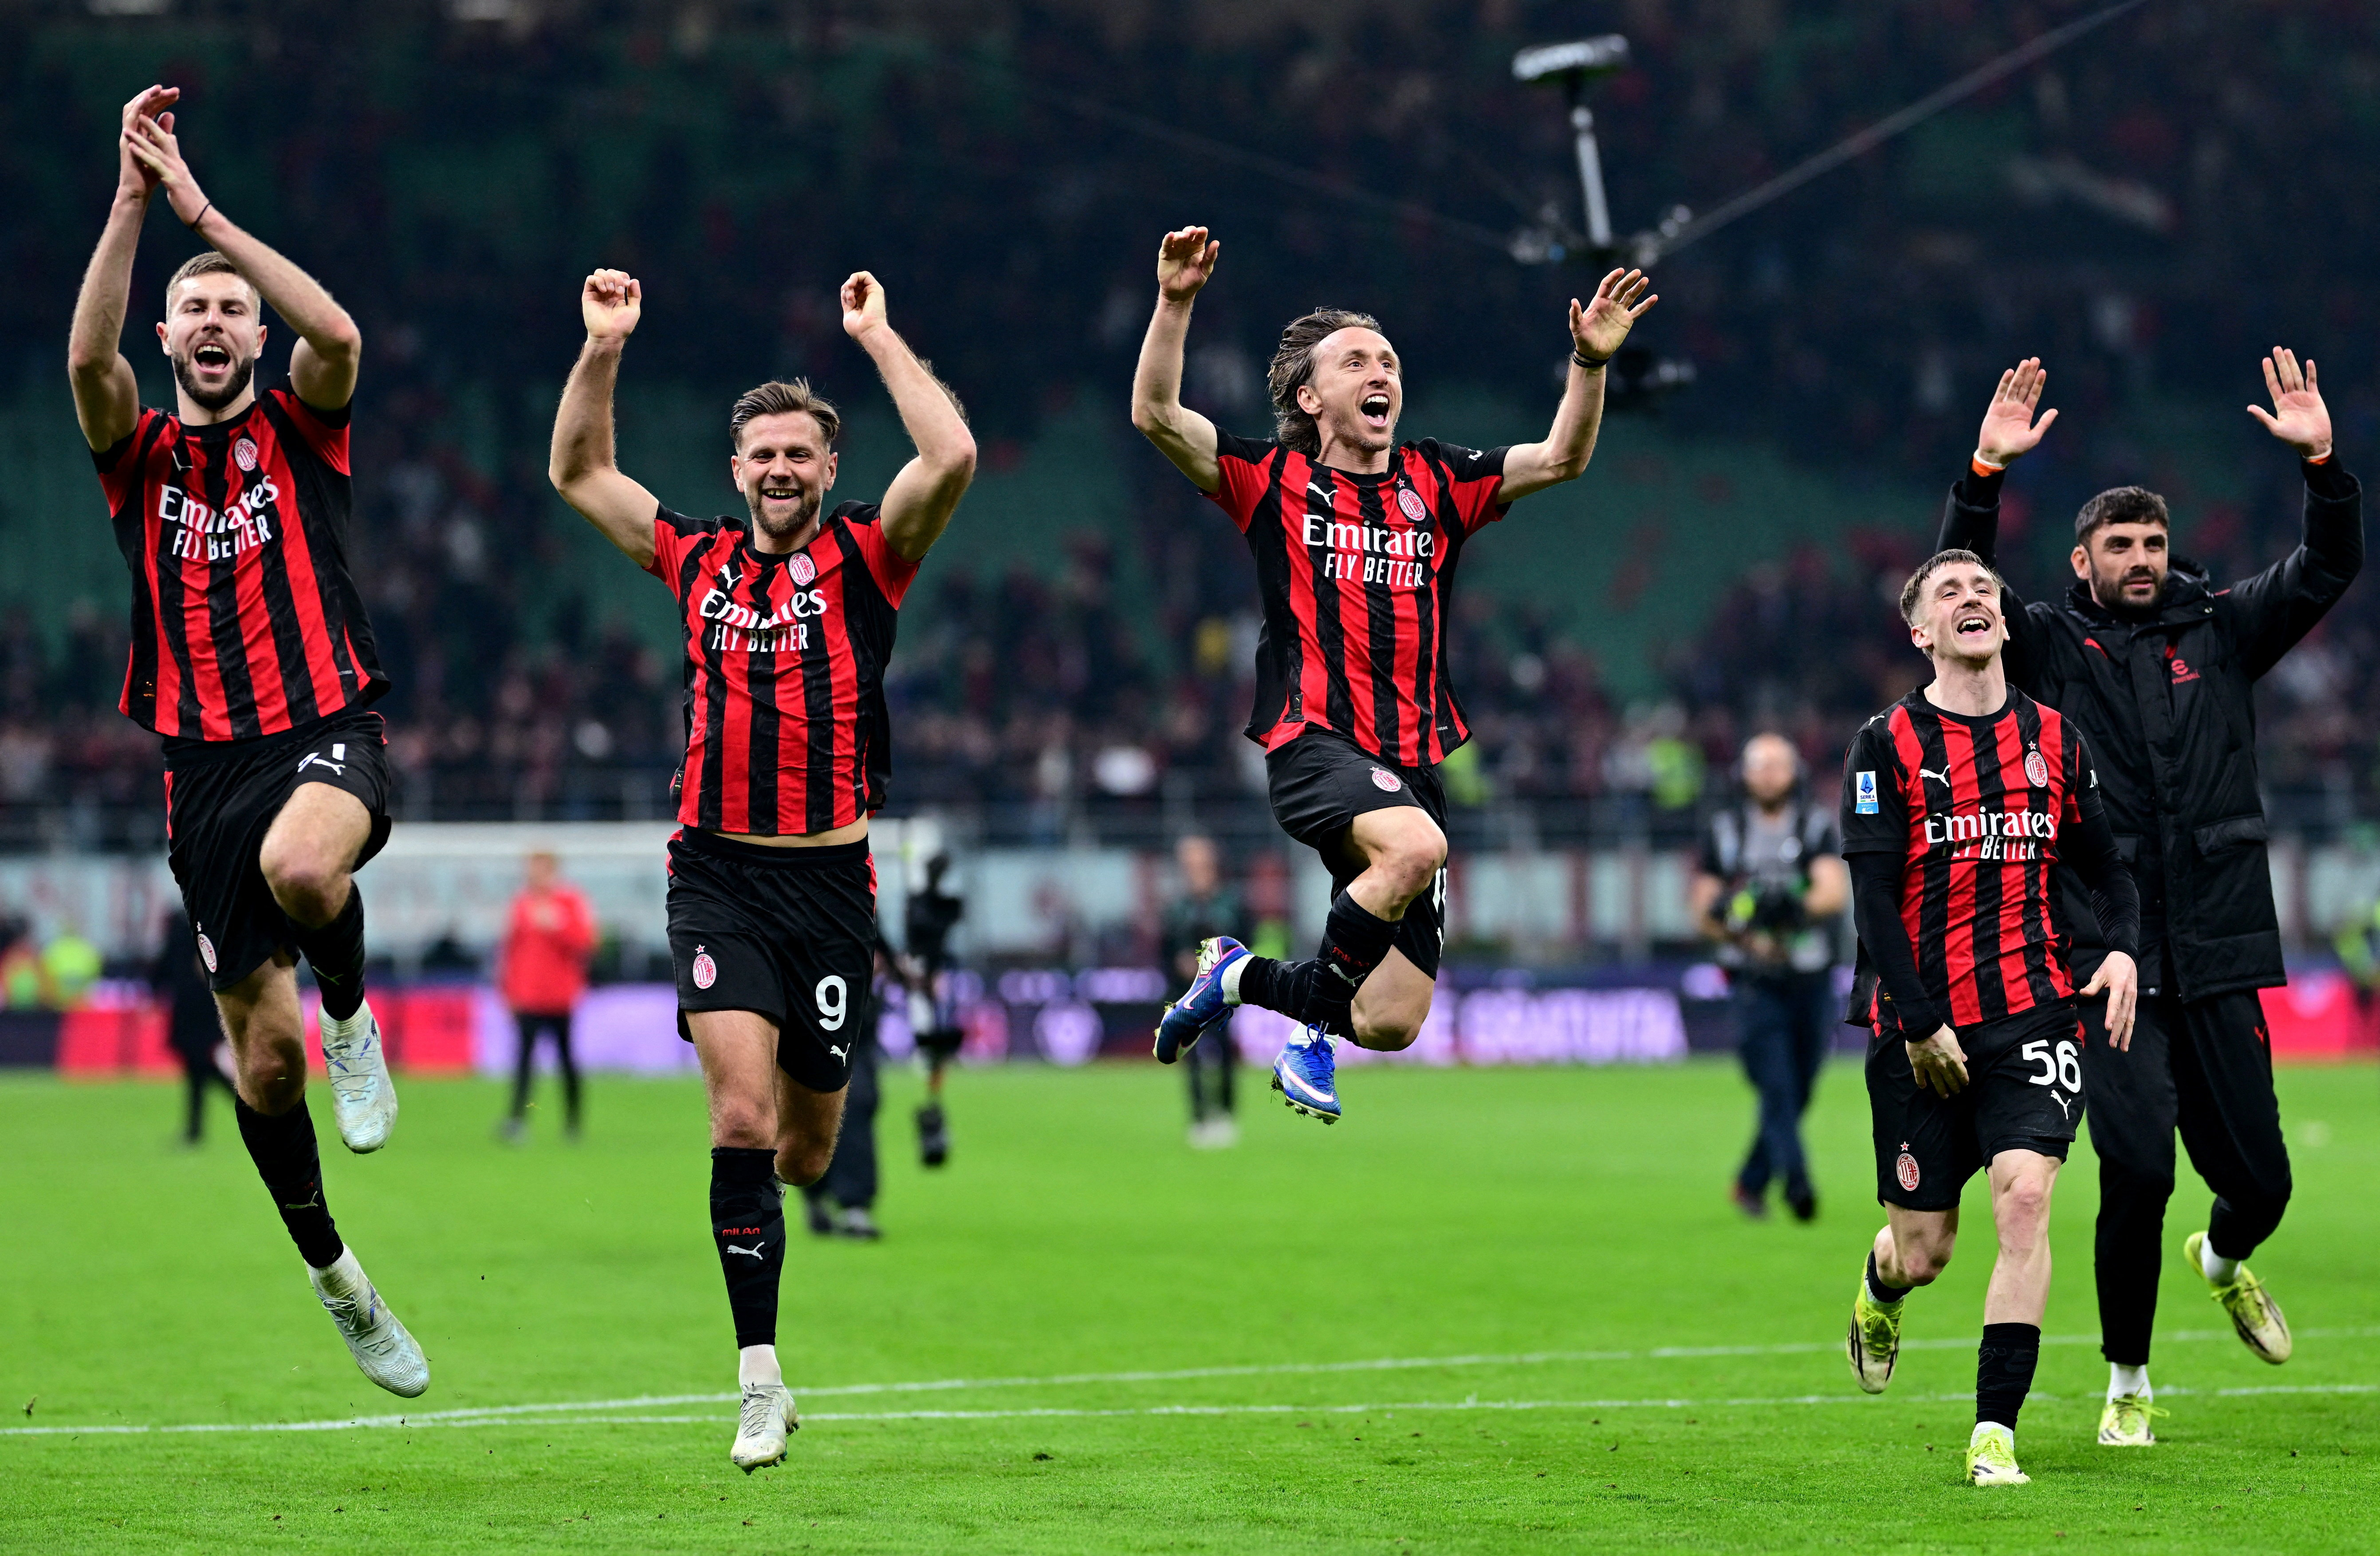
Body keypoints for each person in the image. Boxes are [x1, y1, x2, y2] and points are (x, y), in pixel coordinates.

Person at [550, 264, 974, 1472]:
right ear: (734, 469)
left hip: (832, 891)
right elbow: (578, 472)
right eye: (760, 455)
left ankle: (775, 1292)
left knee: (803, 1151)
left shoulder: (867, 562)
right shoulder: (691, 558)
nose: (779, 469)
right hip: (717, 875)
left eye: (799, 453)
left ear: (827, 469)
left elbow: (948, 458)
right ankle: (758, 1377)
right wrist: (602, 348)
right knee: (738, 1117)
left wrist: (881, 338)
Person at [1131, 224, 1656, 1123]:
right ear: (1311, 394)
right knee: (1415, 849)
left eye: (1389, 362)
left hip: (1412, 762)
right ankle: (1305, 1039)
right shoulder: (1272, 476)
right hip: (1315, 740)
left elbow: (1561, 458)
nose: (1382, 374)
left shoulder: (1437, 479)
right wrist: (1175, 303)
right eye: (1357, 363)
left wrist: (1589, 365)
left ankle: (1238, 974)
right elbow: (1155, 416)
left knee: (1389, 1018)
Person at [1937, 353, 2361, 1446]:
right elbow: (1960, 572)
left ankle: (2223, 1259)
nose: (2138, 560)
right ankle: (2127, 1380)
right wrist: (1985, 469)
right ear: (2080, 560)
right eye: (2118, 546)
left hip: (2217, 943)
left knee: (2258, 1182)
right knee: (2133, 1165)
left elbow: (2328, 567)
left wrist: (2319, 459)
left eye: (2151, 544)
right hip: (2101, 954)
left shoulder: (2220, 628)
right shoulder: (2044, 643)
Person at [67, 86, 421, 1397]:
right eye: (194, 307)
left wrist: (204, 213)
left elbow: (340, 330)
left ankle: (352, 1014)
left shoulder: (301, 423)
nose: (212, 322)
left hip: (326, 728)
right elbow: (83, 366)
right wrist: (129, 199)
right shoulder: (136, 451)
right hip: (198, 774)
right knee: (255, 1064)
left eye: (231, 309)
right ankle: (340, 1277)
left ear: (254, 339)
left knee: (309, 871)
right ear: (168, 334)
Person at [1839, 547, 2141, 1487]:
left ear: (2005, 622)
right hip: (1918, 1028)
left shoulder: (2057, 738)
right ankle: (1882, 1282)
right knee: (1927, 1250)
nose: (1973, 599)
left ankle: (1993, 1432)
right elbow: (1875, 898)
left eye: (1985, 591)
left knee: (2026, 1196)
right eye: (1948, 593)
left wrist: (2124, 947)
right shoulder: (1884, 743)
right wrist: (1921, 1020)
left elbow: (2111, 866)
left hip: (2034, 1014)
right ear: (1920, 631)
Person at [1692, 733, 1847, 1222]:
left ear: (1793, 771)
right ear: (1743, 773)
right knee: (1777, 1084)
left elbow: (1831, 893)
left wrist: (1789, 908)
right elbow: (1704, 909)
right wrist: (1746, 932)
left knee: (1799, 1086)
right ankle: (1798, 1183)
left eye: (1776, 765)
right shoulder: (1724, 829)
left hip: (1809, 976)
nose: (1767, 775)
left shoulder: (1815, 824)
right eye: (1758, 765)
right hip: (1753, 979)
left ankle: (1750, 1181)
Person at [498, 851, 597, 1142]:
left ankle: (573, 1123)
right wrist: (509, 990)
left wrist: (559, 926)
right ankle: (517, 1121)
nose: (533, 874)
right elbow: (511, 951)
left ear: (552, 870)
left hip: (560, 998)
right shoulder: (522, 904)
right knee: (524, 1062)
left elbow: (586, 943)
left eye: (539, 869)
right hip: (528, 998)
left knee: (566, 1061)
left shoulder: (570, 902)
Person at [801, 931, 894, 1241]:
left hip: (855, 1011)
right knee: (810, 1104)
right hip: (809, 1004)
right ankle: (814, 1189)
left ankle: (855, 1205)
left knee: (859, 1101)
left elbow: (877, 936)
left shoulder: (858, 890)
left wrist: (888, 963)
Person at [1160, 834, 1245, 1147]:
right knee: (1191, 1056)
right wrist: (1178, 964)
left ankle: (1225, 1115)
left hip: (1223, 993)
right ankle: (1198, 1118)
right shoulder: (1177, 908)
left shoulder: (1231, 902)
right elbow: (1164, 949)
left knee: (1223, 1054)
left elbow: (1245, 942)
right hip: (1185, 994)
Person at [902, 853, 965, 1167]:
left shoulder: (936, 905)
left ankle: (933, 1107)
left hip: (935, 973)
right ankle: (931, 1109)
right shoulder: (928, 904)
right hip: (925, 975)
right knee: (929, 1040)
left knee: (936, 1042)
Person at [154, 908, 231, 1145]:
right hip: (210, 1012)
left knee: (200, 1069)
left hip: (188, 1016)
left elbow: (161, 973)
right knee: (199, 1070)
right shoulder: (210, 935)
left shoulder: (177, 938)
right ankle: (195, 1129)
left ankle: (250, 1109)